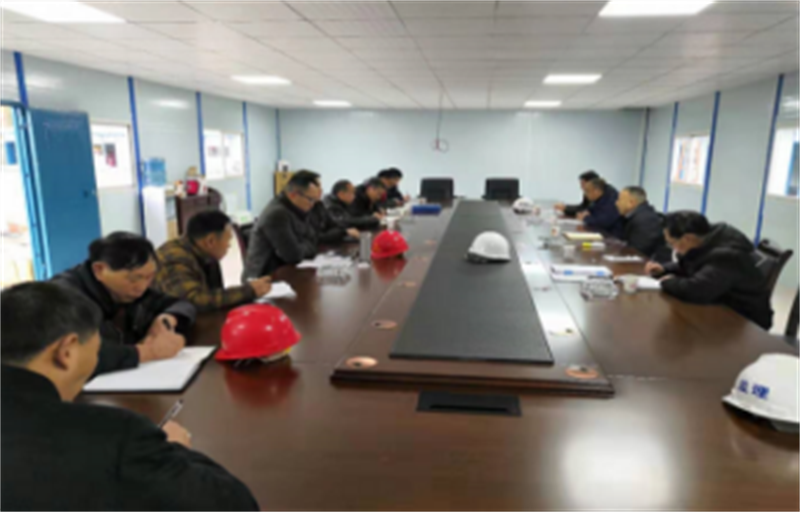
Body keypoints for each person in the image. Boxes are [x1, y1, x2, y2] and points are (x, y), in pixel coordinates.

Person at [0, 282, 259, 511]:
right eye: (98, 349)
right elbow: (233, 503)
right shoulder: (114, 435)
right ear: (67, 352)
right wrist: (174, 451)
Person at [51, 232, 195, 376]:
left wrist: (166, 319)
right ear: (99, 269)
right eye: (133, 279)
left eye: (149, 277)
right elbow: (76, 354)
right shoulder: (62, 298)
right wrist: (148, 352)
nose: (142, 287)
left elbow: (181, 304)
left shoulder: (127, 292)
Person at [646, 211, 773, 330]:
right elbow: (692, 265)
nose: (673, 248)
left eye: (672, 243)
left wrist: (667, 282)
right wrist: (664, 268)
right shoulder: (706, 240)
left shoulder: (727, 256)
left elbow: (696, 290)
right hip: (720, 303)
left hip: (743, 320)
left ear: (688, 238)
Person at [154, 210, 272, 312]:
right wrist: (248, 291)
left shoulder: (203, 253)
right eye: (228, 240)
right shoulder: (175, 259)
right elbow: (194, 301)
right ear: (210, 241)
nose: (229, 245)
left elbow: (214, 293)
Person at [244, 171, 320, 279]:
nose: (313, 205)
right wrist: (307, 246)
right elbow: (293, 255)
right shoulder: (277, 214)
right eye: (311, 199)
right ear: (293, 194)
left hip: (287, 269)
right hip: (265, 277)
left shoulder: (298, 209)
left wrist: (304, 246)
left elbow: (314, 238)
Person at [300, 170, 361, 244]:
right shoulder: (299, 211)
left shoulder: (319, 205)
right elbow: (315, 237)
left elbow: (334, 225)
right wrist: (344, 232)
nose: (321, 190)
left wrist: (344, 231)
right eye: (317, 187)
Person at [615, 186, 669, 260]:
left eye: (619, 200)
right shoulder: (635, 216)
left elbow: (638, 252)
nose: (616, 203)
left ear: (631, 203)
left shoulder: (645, 220)